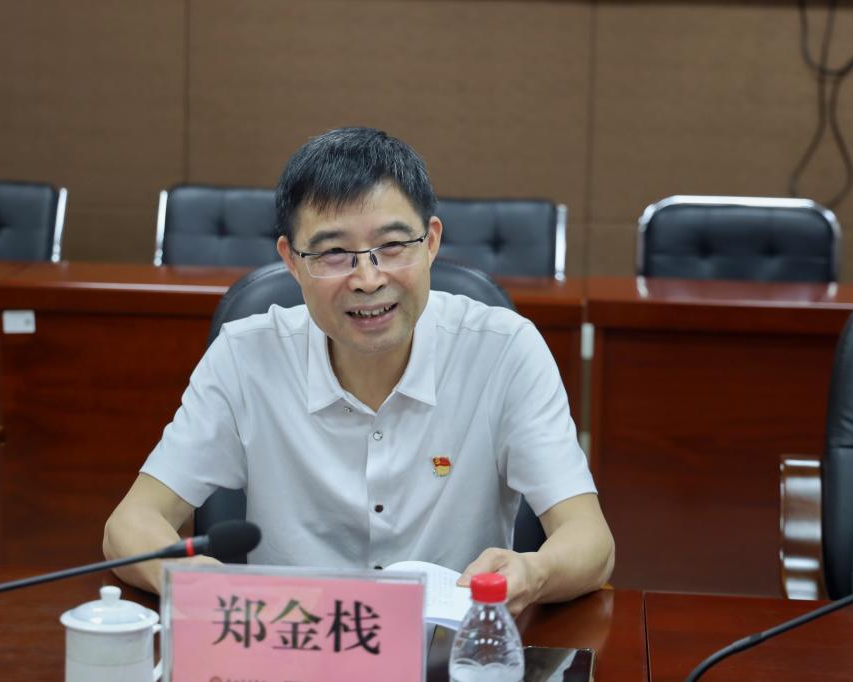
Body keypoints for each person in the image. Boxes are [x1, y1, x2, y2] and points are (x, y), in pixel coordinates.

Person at [103, 127, 614, 615]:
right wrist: (190, 579)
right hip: (291, 648)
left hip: (449, 654)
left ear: (431, 242)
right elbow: (131, 523)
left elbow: (590, 540)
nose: (368, 279)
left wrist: (533, 572)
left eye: (392, 246)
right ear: (291, 260)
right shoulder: (245, 357)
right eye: (333, 253)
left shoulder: (504, 350)